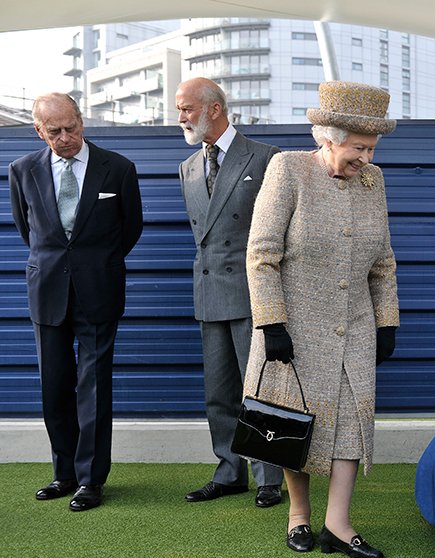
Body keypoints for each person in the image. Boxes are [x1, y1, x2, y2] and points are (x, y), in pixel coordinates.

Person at [245, 81, 399, 558]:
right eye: (358, 148)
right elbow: (262, 254)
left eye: (372, 149)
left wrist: (386, 321)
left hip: (354, 323)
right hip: (294, 324)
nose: (366, 159)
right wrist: (271, 323)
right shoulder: (288, 168)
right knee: (295, 423)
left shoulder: (373, 182)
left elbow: (384, 261)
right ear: (327, 139)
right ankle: (298, 516)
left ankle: (338, 522)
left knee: (354, 420)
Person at [9, 92, 143, 511]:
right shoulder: (22, 170)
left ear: (81, 122)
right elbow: (27, 229)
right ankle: (63, 473)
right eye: (55, 131)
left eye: (72, 127)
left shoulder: (118, 168)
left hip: (99, 290)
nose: (66, 137)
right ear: (38, 130)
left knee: (94, 387)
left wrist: (95, 263)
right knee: (54, 387)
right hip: (47, 291)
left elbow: (130, 230)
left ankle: (90, 480)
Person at [175, 77, 285, 507]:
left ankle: (269, 478)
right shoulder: (187, 167)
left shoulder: (265, 157)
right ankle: (228, 470)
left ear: (213, 109)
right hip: (208, 292)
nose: (180, 117)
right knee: (218, 391)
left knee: (259, 387)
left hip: (254, 293)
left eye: (186, 108)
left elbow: (280, 233)